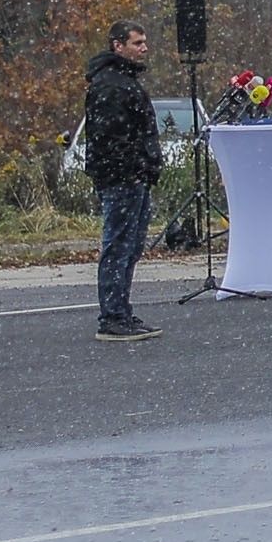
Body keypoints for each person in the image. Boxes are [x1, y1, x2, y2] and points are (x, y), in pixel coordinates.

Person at [80, 19, 167, 340]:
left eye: (144, 42)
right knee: (118, 246)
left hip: (134, 176)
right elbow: (109, 137)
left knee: (130, 246)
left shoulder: (123, 81)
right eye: (137, 43)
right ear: (118, 45)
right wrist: (135, 166)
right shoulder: (111, 85)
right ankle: (112, 315)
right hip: (122, 178)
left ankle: (121, 310)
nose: (144, 48)